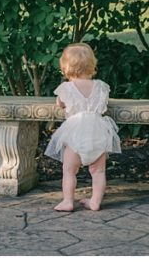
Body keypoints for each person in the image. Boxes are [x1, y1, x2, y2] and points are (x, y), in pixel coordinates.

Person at [44, 43, 121, 211]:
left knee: (69, 171)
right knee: (98, 171)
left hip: (75, 133)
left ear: (65, 68)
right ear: (92, 66)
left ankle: (68, 201)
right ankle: (95, 201)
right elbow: (104, 105)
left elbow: (60, 103)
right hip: (97, 131)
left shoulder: (66, 88)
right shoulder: (101, 86)